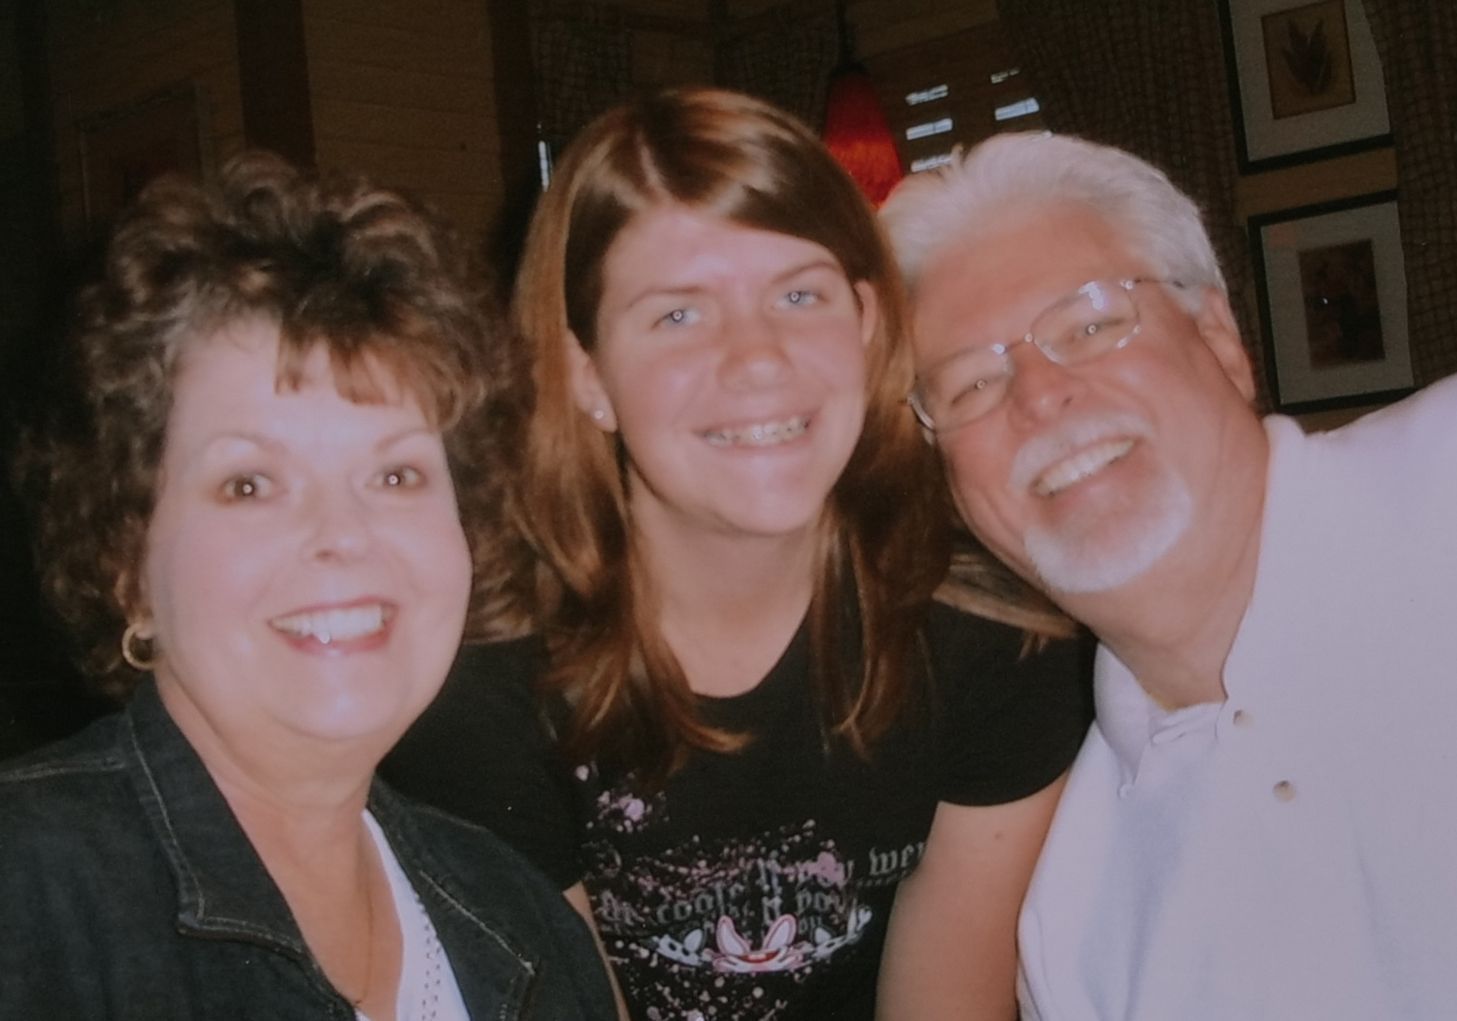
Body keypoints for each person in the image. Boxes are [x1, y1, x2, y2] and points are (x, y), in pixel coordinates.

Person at [382, 87, 1092, 1021]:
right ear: (587, 374)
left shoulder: (995, 633)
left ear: (866, 323)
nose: (757, 358)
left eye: (798, 294)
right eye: (677, 315)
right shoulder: (477, 677)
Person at [2, 152, 617, 1020]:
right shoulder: (28, 901)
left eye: (397, 475)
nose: (343, 535)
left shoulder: (531, 925)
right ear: (126, 565)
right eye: (250, 483)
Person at [880, 131, 1457, 1020]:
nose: (1037, 395)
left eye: (1088, 325)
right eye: (968, 386)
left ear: (1218, 339)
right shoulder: (1073, 919)